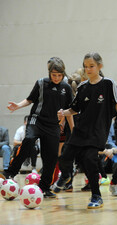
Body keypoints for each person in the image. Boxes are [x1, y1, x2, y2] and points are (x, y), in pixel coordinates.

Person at [52, 52, 117, 209]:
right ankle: (66, 176)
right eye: (85, 66)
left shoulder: (109, 84)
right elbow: (74, 109)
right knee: (65, 156)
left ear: (100, 66)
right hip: (81, 130)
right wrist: (63, 112)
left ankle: (96, 196)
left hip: (98, 131)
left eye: (91, 66)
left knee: (89, 160)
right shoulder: (82, 87)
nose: (88, 69)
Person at [1, 57, 73, 199]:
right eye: (54, 75)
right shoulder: (41, 83)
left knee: (51, 157)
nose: (57, 78)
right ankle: (11, 171)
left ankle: (44, 188)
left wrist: (73, 129)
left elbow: (70, 110)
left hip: (53, 125)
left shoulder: (67, 88)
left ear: (63, 74)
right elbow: (30, 99)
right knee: (28, 139)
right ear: (49, 73)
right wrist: (17, 106)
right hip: (37, 120)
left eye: (59, 75)